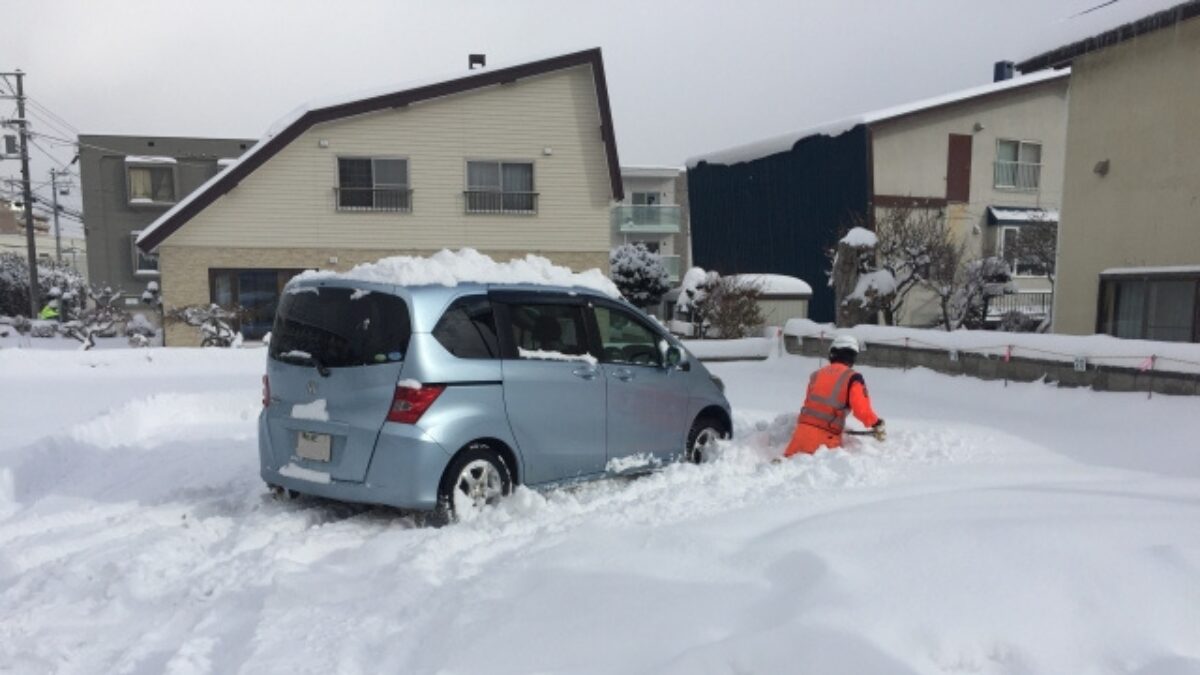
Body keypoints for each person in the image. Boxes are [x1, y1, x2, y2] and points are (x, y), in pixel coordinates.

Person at [783, 334, 885, 457]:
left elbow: (810, 404)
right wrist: (876, 423)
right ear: (852, 356)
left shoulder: (816, 375)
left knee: (787, 468)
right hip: (825, 440)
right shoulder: (853, 378)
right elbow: (861, 409)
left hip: (800, 434)